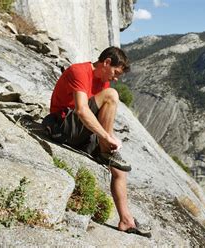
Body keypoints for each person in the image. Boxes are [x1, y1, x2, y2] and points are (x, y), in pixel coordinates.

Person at [48, 46, 148, 236]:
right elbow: (82, 110)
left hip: (80, 132)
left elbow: (101, 119)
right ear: (107, 62)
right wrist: (106, 137)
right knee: (112, 95)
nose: (116, 78)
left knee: (120, 170)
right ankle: (105, 149)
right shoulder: (80, 71)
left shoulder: (103, 83)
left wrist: (108, 138)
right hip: (62, 127)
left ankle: (126, 221)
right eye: (116, 73)